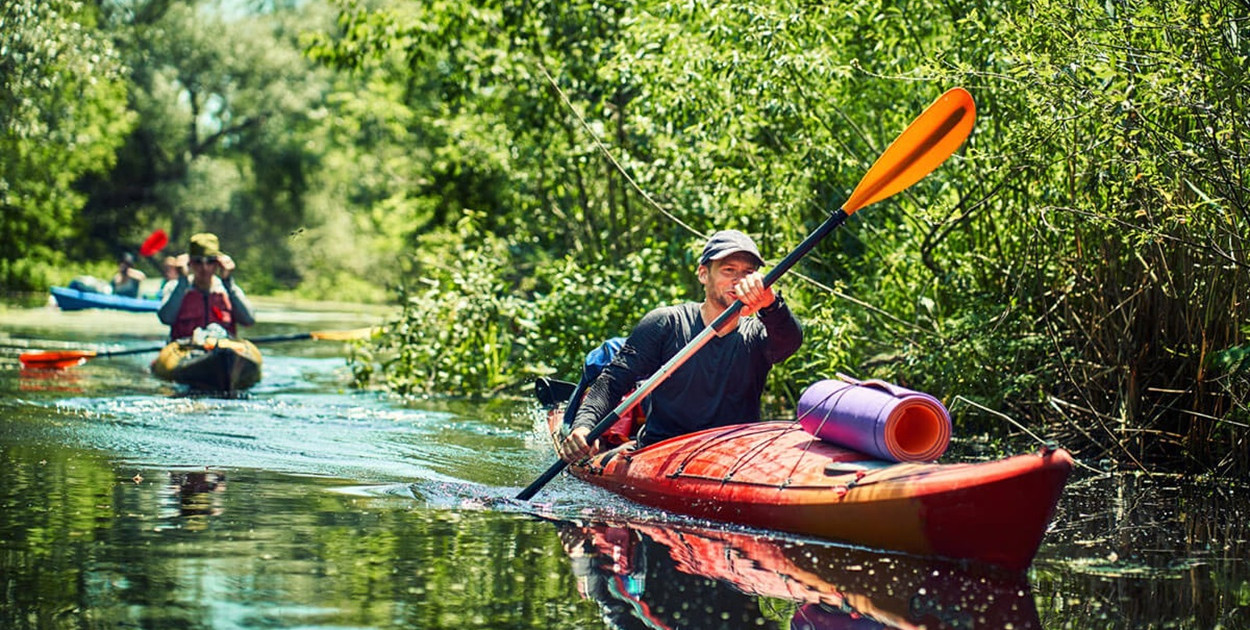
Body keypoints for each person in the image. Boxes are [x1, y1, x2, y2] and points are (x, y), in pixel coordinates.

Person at [560, 229, 802, 462]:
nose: (738, 281)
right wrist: (583, 427)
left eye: (748, 273)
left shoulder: (758, 334)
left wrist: (771, 303)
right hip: (663, 452)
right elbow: (612, 382)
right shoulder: (667, 323)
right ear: (703, 274)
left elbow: (791, 340)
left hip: (734, 456)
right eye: (728, 270)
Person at [158, 233, 256, 340]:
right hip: (186, 351)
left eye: (210, 261)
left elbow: (248, 320)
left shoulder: (228, 290)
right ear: (190, 263)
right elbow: (166, 319)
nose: (204, 268)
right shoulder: (174, 287)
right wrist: (182, 281)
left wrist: (228, 282)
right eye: (198, 261)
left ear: (218, 263)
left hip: (222, 351)